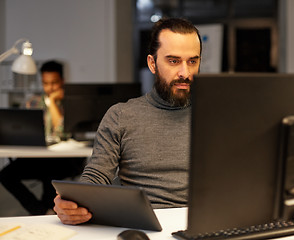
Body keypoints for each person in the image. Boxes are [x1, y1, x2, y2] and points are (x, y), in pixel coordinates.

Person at [53, 17, 202, 225]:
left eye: (192, 61)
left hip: (200, 224)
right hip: (143, 226)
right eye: (174, 61)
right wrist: (74, 203)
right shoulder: (120, 116)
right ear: (152, 63)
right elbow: (97, 175)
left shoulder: (213, 117)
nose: (185, 73)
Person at [0, 61, 85, 215]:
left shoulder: (72, 103)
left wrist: (52, 102)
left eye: (54, 83)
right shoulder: (33, 102)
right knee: (6, 175)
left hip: (66, 159)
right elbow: (26, 130)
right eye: (45, 83)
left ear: (62, 81)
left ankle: (48, 212)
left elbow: (62, 131)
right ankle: (42, 212)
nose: (50, 87)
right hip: (39, 156)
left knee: (50, 172)